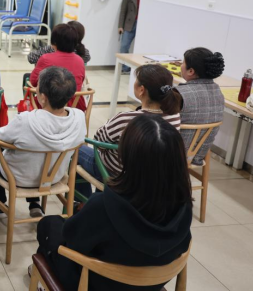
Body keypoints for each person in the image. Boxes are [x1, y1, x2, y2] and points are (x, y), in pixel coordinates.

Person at [36, 114, 193, 291]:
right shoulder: (183, 207)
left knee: (48, 225)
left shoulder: (104, 207)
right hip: (152, 285)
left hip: (95, 284)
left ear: (128, 156)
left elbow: (71, 240)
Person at [0, 67, 86, 219]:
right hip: (54, 177)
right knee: (38, 156)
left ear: (43, 97)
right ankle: (35, 203)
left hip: (17, 178)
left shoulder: (26, 120)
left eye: (37, 86)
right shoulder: (79, 117)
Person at [81, 64, 182, 197]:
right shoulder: (175, 116)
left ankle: (82, 201)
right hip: (154, 176)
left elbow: (99, 141)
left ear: (141, 90)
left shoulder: (125, 119)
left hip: (119, 175)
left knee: (77, 149)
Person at [176, 48, 226, 165]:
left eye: (183, 63)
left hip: (175, 155)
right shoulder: (218, 91)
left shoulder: (180, 93)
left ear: (191, 71)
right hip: (198, 156)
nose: (181, 65)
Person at [30, 24, 86, 111]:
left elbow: (33, 82)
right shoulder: (80, 60)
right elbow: (80, 82)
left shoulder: (46, 58)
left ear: (54, 41)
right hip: (75, 105)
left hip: (50, 105)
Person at [118, 0, 144, 73]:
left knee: (141, 47)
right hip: (130, 24)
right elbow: (123, 11)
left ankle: (139, 69)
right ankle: (125, 68)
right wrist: (120, 26)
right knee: (124, 46)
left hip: (142, 24)